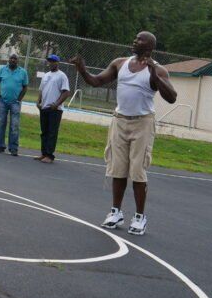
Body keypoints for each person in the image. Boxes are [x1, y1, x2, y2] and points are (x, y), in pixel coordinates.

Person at [71, 31, 177, 236]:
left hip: (143, 122)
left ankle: (139, 217)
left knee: (137, 171)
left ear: (149, 47)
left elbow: (171, 97)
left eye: (139, 40)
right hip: (120, 120)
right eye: (135, 38)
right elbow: (97, 81)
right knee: (117, 168)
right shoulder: (120, 63)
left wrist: (155, 76)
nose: (134, 41)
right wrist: (82, 70)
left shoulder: (158, 69)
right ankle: (115, 212)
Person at [35, 54, 72, 163]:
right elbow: (41, 90)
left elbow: (66, 92)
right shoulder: (46, 75)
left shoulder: (62, 76)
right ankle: (43, 153)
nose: (51, 63)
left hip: (55, 109)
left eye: (53, 61)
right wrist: (38, 101)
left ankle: (50, 155)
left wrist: (56, 104)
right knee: (44, 131)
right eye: (49, 61)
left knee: (52, 132)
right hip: (44, 107)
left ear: (57, 63)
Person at [0, 53, 28, 155]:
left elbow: (25, 87)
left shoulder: (23, 72)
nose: (13, 60)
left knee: (14, 126)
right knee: (1, 124)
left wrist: (19, 99)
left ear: (18, 61)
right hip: (3, 102)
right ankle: (0, 146)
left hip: (15, 103)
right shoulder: (2, 70)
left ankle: (13, 148)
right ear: (8, 60)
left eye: (15, 59)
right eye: (11, 58)